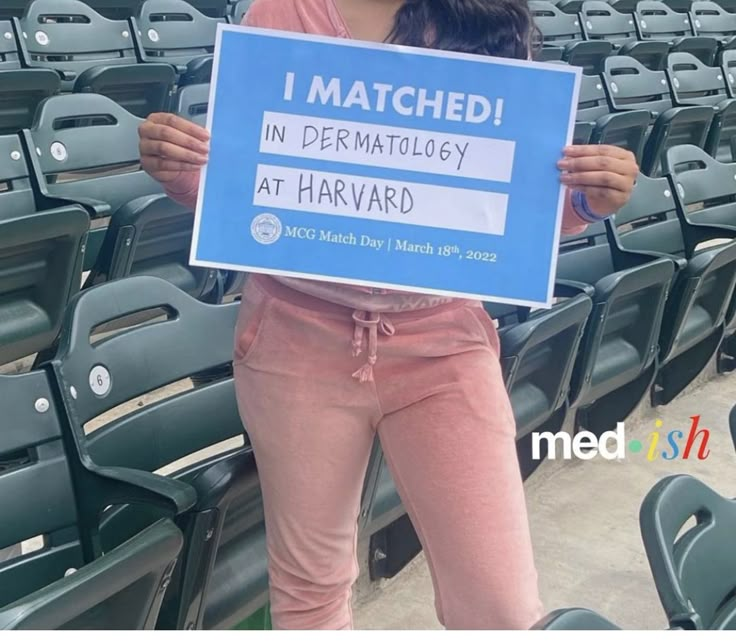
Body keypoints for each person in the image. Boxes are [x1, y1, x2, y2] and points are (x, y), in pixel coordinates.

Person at [138, 0, 638, 630]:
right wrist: (180, 170)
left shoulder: (485, 16)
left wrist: (588, 202)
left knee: (503, 609)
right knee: (310, 595)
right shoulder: (281, 12)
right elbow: (239, 182)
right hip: (296, 340)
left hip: (443, 343)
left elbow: (506, 213)